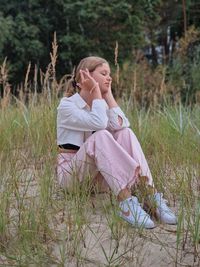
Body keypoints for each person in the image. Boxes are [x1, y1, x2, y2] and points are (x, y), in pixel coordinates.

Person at [56, 56, 177, 229]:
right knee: (101, 136)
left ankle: (150, 195)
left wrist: (108, 94)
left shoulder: (100, 106)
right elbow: (99, 124)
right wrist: (97, 93)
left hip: (99, 179)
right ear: (84, 77)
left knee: (125, 133)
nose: (109, 77)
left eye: (110, 74)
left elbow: (122, 124)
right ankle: (126, 203)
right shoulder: (67, 106)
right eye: (103, 73)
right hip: (72, 179)